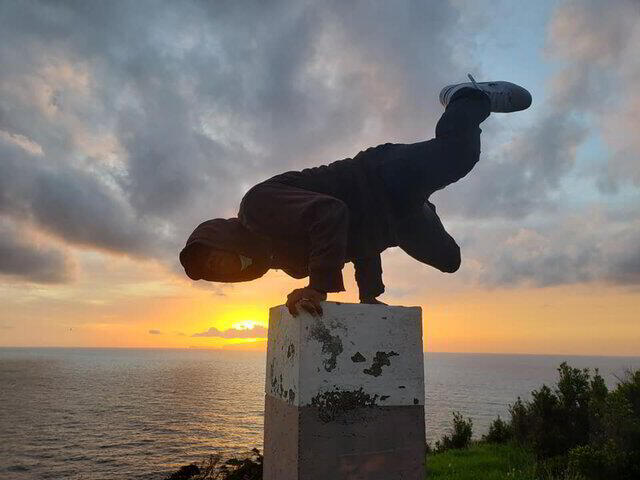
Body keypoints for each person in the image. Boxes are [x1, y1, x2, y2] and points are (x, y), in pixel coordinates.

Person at [180, 75, 532, 317]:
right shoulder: (282, 261)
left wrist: (318, 287)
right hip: (391, 221)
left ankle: (466, 96)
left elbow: (330, 214)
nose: (219, 268)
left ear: (222, 238)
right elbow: (358, 242)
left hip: (380, 177)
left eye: (213, 258)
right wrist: (369, 297)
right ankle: (422, 205)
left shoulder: (258, 208)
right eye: (214, 273)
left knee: (459, 154)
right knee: (449, 260)